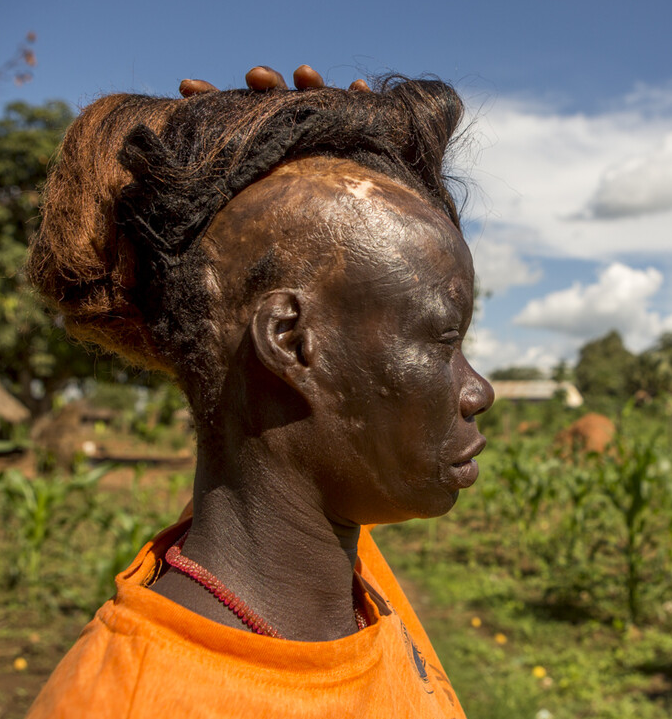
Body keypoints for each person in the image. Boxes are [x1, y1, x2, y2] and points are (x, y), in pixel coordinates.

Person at [25, 65, 494, 718]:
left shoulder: (339, 575)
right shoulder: (128, 700)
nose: (478, 390)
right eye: (443, 341)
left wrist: (335, 176)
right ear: (294, 342)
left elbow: (230, 350)